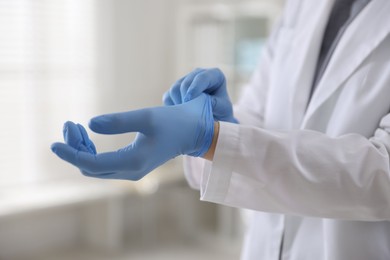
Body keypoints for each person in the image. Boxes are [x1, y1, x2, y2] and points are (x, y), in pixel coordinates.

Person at [51, 0, 390, 259]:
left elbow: (381, 174)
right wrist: (223, 128)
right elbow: (258, 120)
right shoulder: (303, 7)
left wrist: (210, 138)